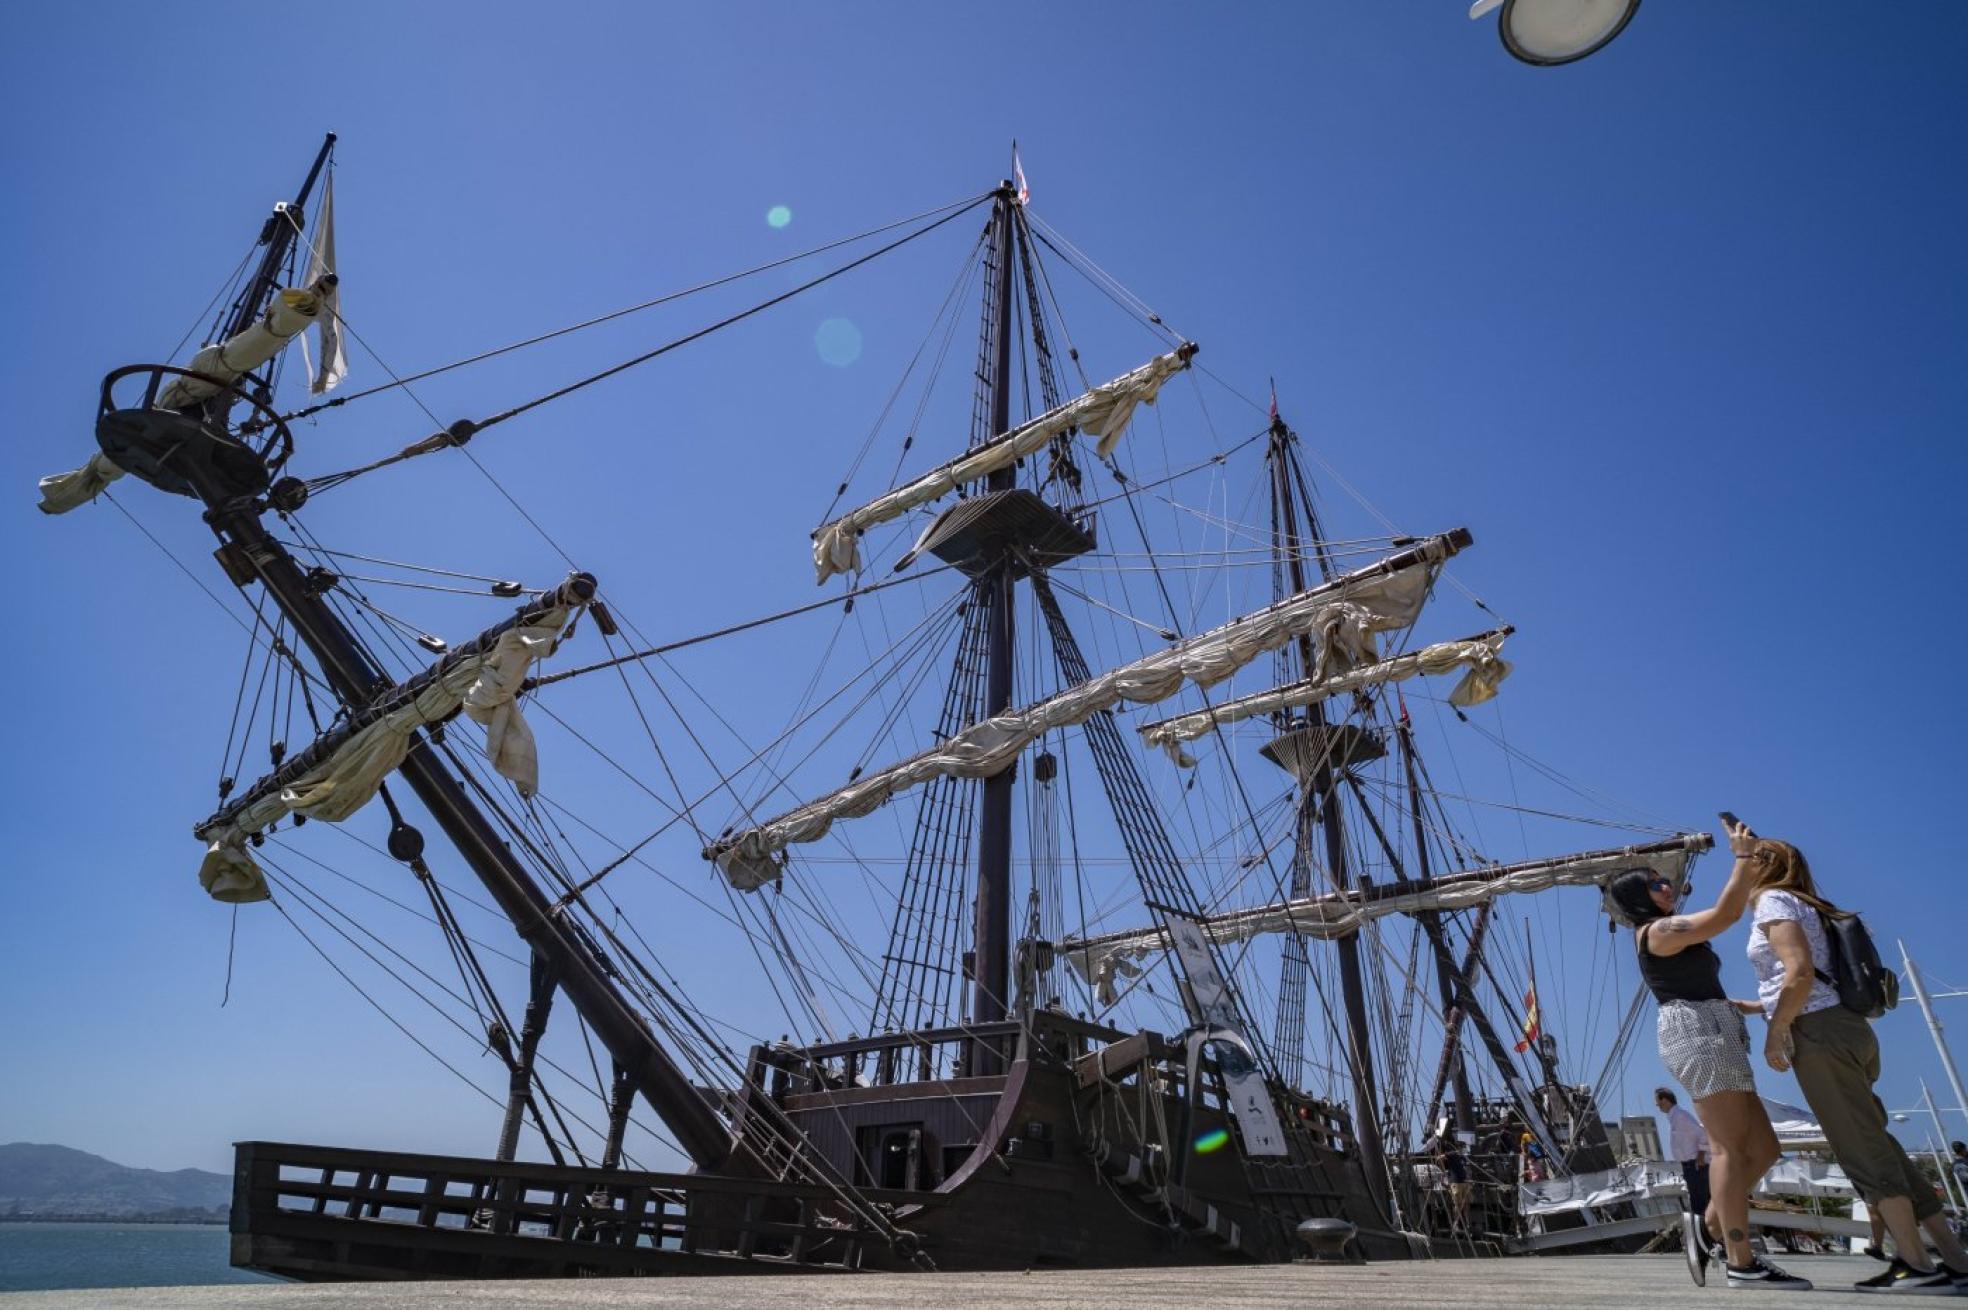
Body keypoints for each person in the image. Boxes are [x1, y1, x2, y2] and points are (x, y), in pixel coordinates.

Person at [1744, 838, 1968, 1293]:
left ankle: (1915, 1264)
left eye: (1744, 861)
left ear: (1763, 866)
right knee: (1877, 1141)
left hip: (1818, 1033)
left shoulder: (1772, 900)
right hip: (1846, 1027)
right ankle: (1955, 1259)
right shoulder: (1810, 903)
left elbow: (1800, 973)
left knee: (1859, 1148)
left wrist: (1775, 1033)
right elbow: (1813, 976)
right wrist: (1759, 1007)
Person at [1608, 816, 1809, 1290]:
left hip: (1714, 1024)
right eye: (1656, 883)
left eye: (1665, 880)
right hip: (1696, 1032)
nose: (1667, 886)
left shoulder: (1665, 929)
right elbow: (1725, 916)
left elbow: (1690, 981)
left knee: (1764, 1148)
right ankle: (1741, 1260)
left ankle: (1709, 1225)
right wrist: (1741, 859)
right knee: (1728, 1150)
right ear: (1638, 896)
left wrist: (1747, 1005)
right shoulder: (1655, 931)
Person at [1656, 1087, 1713, 1227]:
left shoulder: (1681, 1116)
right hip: (1689, 1166)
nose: (1657, 1105)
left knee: (1702, 1202)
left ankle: (1710, 1234)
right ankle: (1706, 1233)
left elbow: (1703, 1134)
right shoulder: (1674, 1117)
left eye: (1657, 1101)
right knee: (1697, 1202)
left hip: (1696, 1165)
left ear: (1664, 1100)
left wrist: (1701, 1154)